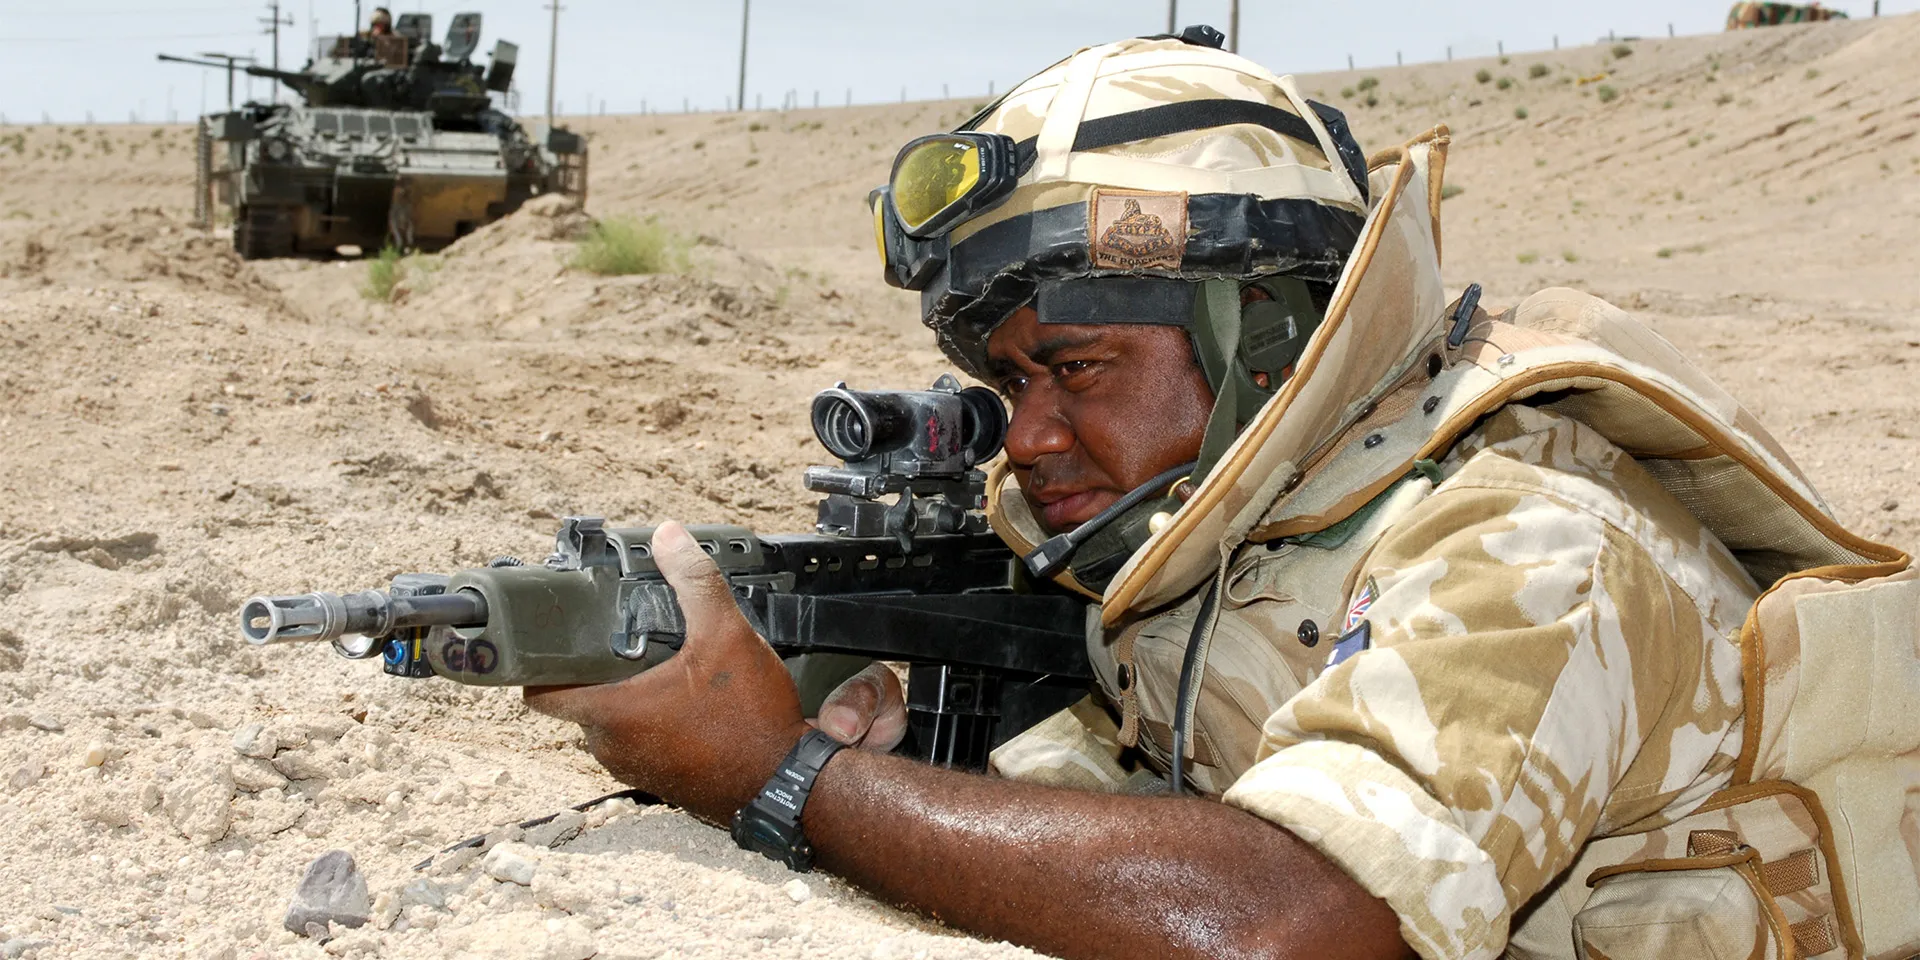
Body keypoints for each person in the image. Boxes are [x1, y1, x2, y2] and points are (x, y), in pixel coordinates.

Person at [527, 27, 1919, 960]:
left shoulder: (1524, 541)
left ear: (1261, 336)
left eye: (1076, 365)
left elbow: (1292, 920)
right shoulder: (1241, 543)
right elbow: (1162, 792)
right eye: (1011, 386)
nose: (1028, 436)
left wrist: (788, 778)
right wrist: (919, 772)